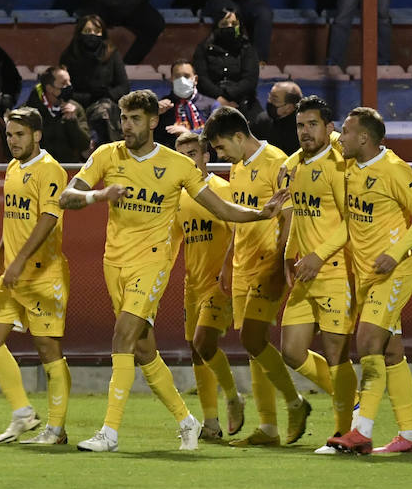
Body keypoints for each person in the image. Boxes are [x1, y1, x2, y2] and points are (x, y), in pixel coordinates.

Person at [60, 89, 286, 452]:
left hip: (151, 262)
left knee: (122, 337)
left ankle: (110, 432)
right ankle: (187, 421)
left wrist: (260, 213)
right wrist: (99, 197)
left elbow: (221, 208)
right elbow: (66, 197)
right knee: (143, 349)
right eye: (123, 118)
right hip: (113, 262)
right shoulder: (106, 155)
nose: (127, 126)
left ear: (153, 122)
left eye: (135, 119)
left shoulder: (177, 166)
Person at [326, 107, 412, 455]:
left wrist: (396, 251)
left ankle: (361, 430)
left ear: (364, 138)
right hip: (366, 276)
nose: (340, 138)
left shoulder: (393, 169)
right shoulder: (351, 164)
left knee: (368, 343)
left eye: (346, 131)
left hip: (393, 272)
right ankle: (410, 436)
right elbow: (326, 136)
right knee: (391, 353)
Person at [201, 106, 312, 446]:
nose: (220, 155)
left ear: (238, 136)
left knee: (252, 338)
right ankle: (269, 428)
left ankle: (296, 403)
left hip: (268, 263)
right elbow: (239, 219)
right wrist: (228, 261)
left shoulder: (277, 163)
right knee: (254, 346)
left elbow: (290, 217)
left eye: (221, 147)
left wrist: (282, 262)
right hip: (243, 265)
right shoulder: (238, 168)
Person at [0, 108, 74, 446]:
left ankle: (57, 430)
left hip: (42, 275)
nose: (12, 141)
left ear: (37, 135)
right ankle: (23, 413)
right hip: (13, 273)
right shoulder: (13, 167)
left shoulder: (50, 170)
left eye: (19, 134)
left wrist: (17, 262)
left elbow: (47, 220)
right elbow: (12, 220)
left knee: (48, 348)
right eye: (9, 134)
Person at [274, 96, 357, 444]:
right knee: (292, 351)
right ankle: (352, 402)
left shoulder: (341, 167)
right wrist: (288, 257)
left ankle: (344, 431)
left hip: (334, 269)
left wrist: (319, 256)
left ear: (329, 128)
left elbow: (352, 222)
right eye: (300, 126)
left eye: (312, 125)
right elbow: (297, 215)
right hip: (304, 271)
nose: (305, 132)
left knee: (337, 353)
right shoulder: (295, 166)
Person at [170, 130, 244, 440]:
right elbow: (172, 241)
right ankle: (211, 423)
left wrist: (227, 268)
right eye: (181, 154)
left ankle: (232, 395)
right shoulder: (176, 197)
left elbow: (240, 232)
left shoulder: (222, 190)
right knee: (197, 352)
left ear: (206, 157)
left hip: (219, 283)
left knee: (204, 342)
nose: (187, 160)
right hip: (193, 284)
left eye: (192, 153)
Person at [58, 13, 128, 144]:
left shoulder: (111, 53)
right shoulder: (69, 56)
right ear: (80, 33)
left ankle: (109, 153)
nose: (92, 35)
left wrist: (107, 94)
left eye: (97, 31)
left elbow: (123, 87)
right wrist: (88, 97)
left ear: (103, 33)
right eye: (87, 31)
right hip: (77, 102)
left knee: (103, 110)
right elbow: (63, 90)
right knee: (67, 109)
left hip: (105, 102)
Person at [192, 9, 260, 122]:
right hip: (210, 98)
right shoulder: (203, 48)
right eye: (224, 24)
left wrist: (229, 96)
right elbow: (202, 78)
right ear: (216, 26)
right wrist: (219, 99)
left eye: (234, 24)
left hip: (242, 99)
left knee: (261, 120)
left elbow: (250, 80)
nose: (229, 27)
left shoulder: (248, 48)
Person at [23, 66, 90, 163]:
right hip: (39, 168)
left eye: (69, 82)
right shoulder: (29, 112)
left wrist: (72, 122)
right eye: (64, 83)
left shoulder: (76, 108)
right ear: (50, 88)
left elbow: (84, 146)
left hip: (68, 168)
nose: (69, 86)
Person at [156, 59, 216, 145]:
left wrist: (189, 133)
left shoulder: (211, 104)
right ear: (171, 79)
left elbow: (217, 130)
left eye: (186, 76)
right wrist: (153, 114)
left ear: (195, 79)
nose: (182, 81)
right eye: (177, 76)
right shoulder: (162, 106)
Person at [251, 79, 301, 155]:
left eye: (274, 99)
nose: (269, 102)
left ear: (289, 107)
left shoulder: (302, 126)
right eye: (269, 96)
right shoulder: (262, 120)